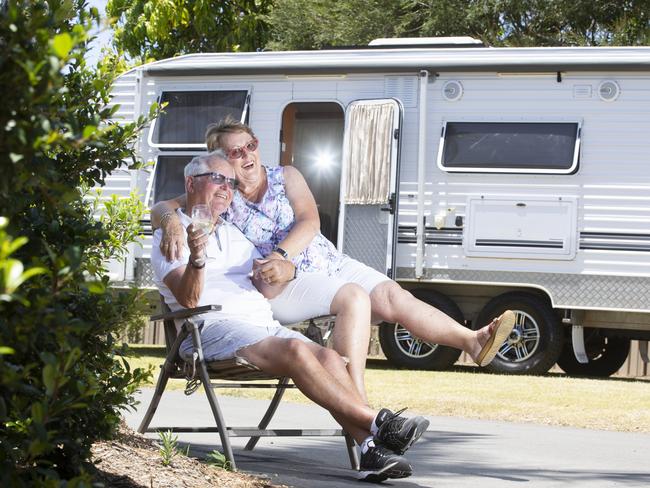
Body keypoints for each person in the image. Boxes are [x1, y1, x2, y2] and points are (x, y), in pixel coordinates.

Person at [151, 117, 517, 400]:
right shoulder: (222, 193)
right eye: (235, 152)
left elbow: (310, 220)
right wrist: (170, 222)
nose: (247, 156)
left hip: (324, 260)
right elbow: (164, 206)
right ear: (221, 161)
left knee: (393, 297)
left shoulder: (285, 176)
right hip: (286, 283)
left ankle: (472, 340)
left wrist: (282, 253)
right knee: (353, 298)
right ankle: (357, 398)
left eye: (251, 146)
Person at [150, 151, 430, 482]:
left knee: (328, 357)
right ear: (190, 183)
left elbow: (267, 287)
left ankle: (370, 446)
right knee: (298, 351)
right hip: (209, 330)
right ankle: (382, 422)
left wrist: (282, 269)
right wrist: (197, 258)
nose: (227, 188)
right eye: (218, 179)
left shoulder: (235, 235)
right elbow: (189, 298)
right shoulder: (169, 236)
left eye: (232, 183)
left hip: (260, 325)